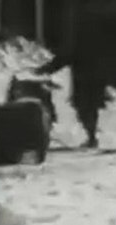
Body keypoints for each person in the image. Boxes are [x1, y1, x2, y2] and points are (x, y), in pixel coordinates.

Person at [36, 12, 112, 149]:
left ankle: (92, 136)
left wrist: (46, 69)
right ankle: (92, 135)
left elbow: (65, 58)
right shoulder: (99, 42)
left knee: (84, 108)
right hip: (95, 80)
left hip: (84, 81)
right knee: (90, 108)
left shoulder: (82, 43)